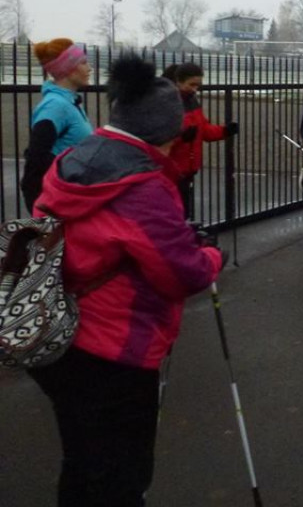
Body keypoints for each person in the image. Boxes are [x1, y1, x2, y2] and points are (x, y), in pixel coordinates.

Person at [30, 54, 224, 507]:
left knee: (83, 461)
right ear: (161, 134)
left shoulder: (77, 160)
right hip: (115, 346)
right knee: (122, 472)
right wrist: (211, 255)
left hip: (61, 334)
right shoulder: (143, 186)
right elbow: (183, 273)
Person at [21, 38, 94, 213]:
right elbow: (35, 162)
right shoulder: (55, 106)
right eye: (83, 62)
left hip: (69, 200)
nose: (89, 68)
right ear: (68, 69)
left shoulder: (69, 103)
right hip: (58, 206)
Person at [163, 62, 238, 219]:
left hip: (188, 169)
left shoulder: (192, 101)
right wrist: (181, 137)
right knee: (172, 213)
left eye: (198, 85)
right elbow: (157, 137)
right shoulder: (165, 103)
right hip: (170, 171)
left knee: (183, 213)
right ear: (178, 81)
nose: (195, 89)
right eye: (191, 84)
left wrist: (224, 130)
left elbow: (203, 130)